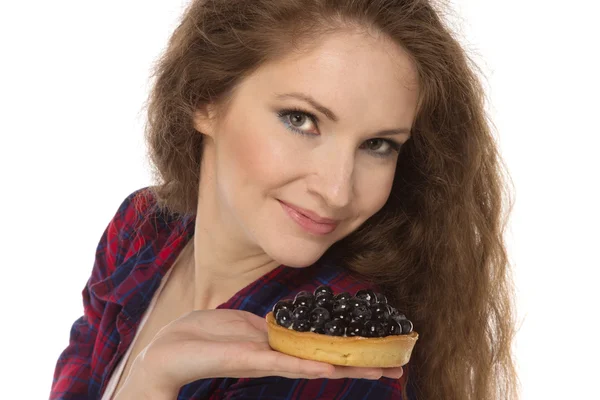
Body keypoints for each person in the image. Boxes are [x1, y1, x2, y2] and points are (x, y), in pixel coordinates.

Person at [50, 0, 519, 399]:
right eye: (301, 120)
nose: (337, 191)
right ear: (204, 99)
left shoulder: (335, 367)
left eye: (378, 145)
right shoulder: (143, 228)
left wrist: (150, 385)